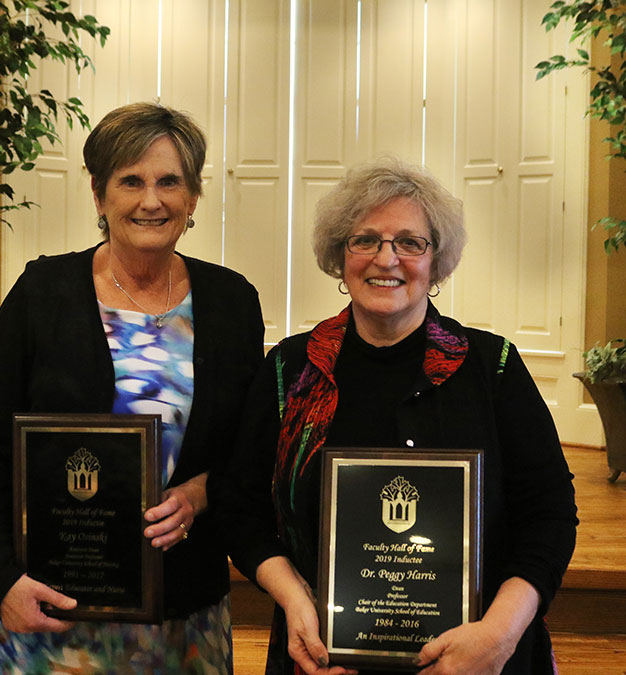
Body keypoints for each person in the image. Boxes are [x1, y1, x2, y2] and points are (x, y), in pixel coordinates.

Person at [219, 157, 577, 675]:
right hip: (324, 657)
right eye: (365, 240)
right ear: (340, 257)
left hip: (477, 660)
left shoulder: (491, 368)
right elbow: (240, 510)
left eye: (410, 242)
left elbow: (549, 513)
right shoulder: (290, 371)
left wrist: (499, 636)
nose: (386, 259)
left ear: (436, 262)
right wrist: (295, 600)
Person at [0, 102, 265, 673]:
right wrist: (3, 580)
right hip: (46, 609)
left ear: (193, 197)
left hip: (179, 617)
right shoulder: (41, 292)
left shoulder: (232, 303)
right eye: (131, 181)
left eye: (169, 181)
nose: (152, 200)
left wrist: (200, 495)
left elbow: (250, 453)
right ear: (99, 195)